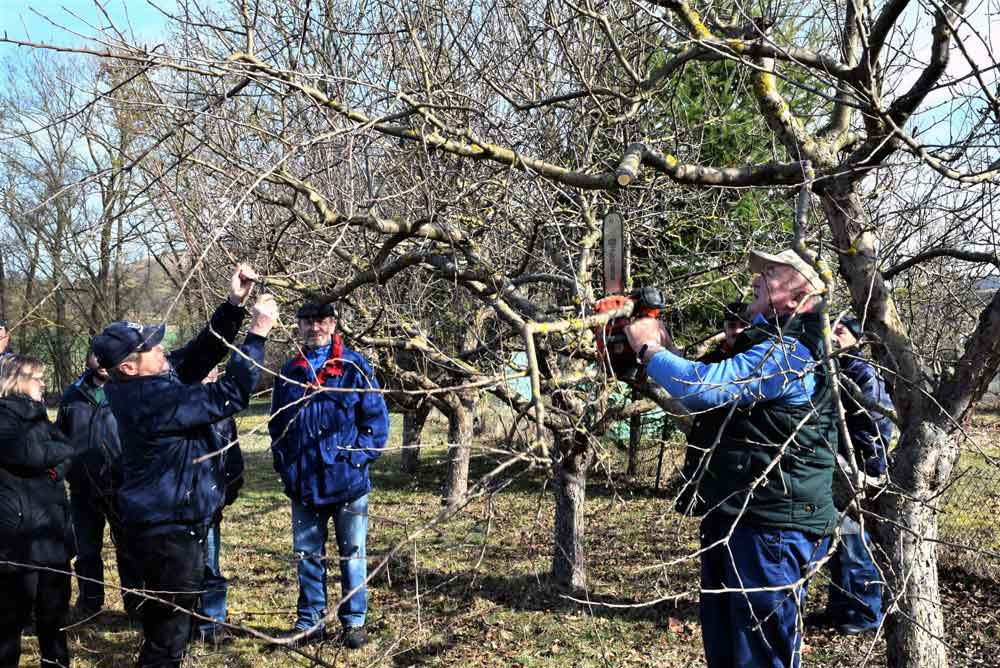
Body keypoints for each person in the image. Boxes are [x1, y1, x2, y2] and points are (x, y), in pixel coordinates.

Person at [626, 248, 839, 668]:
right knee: (728, 651)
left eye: (772, 271)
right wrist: (662, 353)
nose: (757, 277)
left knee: (759, 656)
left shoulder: (791, 353)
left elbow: (703, 388)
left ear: (801, 298)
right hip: (742, 515)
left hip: (770, 526)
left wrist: (650, 351)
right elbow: (709, 397)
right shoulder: (762, 344)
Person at [93, 265, 277, 668]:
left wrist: (234, 305)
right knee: (170, 635)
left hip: (165, 525)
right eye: (151, 347)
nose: (161, 349)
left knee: (165, 627)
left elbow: (199, 354)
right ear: (127, 366)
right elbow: (230, 394)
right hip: (169, 533)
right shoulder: (152, 401)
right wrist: (258, 334)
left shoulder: (146, 380)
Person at [269, 301, 390, 650]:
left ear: (333, 324)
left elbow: (376, 422)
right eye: (306, 322)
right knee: (307, 554)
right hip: (304, 483)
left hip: (347, 482)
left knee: (352, 551)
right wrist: (285, 465)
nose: (314, 328)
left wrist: (356, 459)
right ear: (298, 326)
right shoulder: (290, 371)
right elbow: (277, 425)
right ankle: (311, 622)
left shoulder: (353, 367)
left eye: (320, 321)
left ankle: (354, 622)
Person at [817, 316, 894, 635]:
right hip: (834, 468)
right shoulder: (833, 369)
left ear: (858, 339)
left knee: (855, 542)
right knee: (837, 543)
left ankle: (864, 613)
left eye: (841, 331)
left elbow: (877, 427)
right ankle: (839, 608)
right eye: (831, 330)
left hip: (856, 471)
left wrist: (864, 467)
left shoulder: (862, 372)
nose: (834, 335)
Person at [56, 348, 143, 621]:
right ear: (88, 359)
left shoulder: (130, 389)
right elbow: (61, 437)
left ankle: (136, 604)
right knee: (86, 550)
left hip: (122, 485)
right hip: (83, 486)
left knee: (128, 548)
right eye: (97, 356)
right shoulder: (73, 394)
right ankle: (90, 604)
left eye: (108, 356)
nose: (102, 362)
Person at [0, 355, 75, 668]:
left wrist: (55, 469)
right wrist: (59, 453)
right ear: (18, 380)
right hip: (18, 538)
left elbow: (64, 450)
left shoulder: (39, 415)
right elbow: (28, 454)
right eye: (38, 377)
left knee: (54, 619)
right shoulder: (3, 416)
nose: (44, 383)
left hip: (52, 534)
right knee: (8, 624)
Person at [193, 367, 245, 645]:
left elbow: (234, 460)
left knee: (211, 567)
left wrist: (226, 494)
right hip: (182, 506)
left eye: (210, 374)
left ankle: (212, 625)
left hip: (211, 505)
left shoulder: (224, 415)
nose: (205, 378)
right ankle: (186, 622)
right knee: (185, 569)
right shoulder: (179, 409)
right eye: (202, 374)